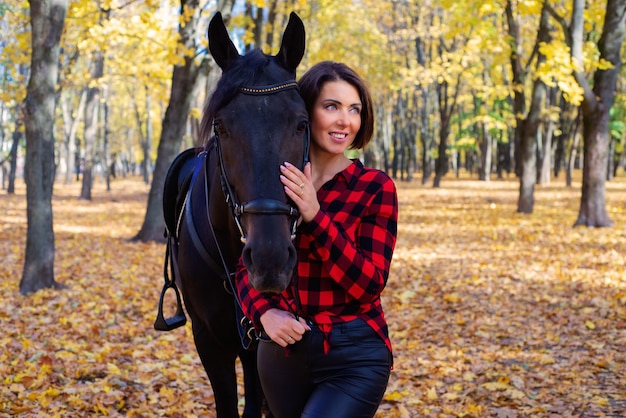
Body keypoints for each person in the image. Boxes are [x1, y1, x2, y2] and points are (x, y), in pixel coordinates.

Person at [236, 61, 398, 418]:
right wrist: (263, 313)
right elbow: (243, 264)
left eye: (354, 109)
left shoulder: (375, 187)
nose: (345, 121)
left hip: (354, 354)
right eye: (332, 106)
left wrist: (315, 214)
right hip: (282, 355)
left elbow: (370, 283)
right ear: (305, 110)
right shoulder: (277, 182)